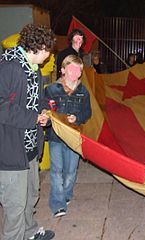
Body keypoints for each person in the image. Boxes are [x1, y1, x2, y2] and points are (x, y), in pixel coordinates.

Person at [0, 24, 56, 240]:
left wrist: (45, 108)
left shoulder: (34, 68)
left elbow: (36, 98)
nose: (49, 55)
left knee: (30, 195)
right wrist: (32, 118)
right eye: (48, 50)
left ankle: (30, 233)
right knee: (15, 205)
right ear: (39, 47)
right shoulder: (9, 67)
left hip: (29, 146)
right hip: (11, 149)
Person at [45, 55, 92, 218]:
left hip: (73, 136)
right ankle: (58, 203)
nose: (75, 73)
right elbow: (46, 110)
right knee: (57, 170)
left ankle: (66, 194)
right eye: (71, 69)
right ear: (63, 70)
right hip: (56, 136)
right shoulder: (51, 89)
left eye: (78, 70)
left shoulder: (83, 91)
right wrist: (47, 119)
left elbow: (87, 113)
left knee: (71, 171)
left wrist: (77, 118)